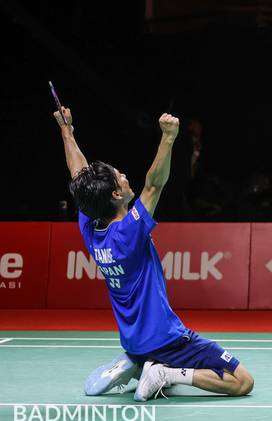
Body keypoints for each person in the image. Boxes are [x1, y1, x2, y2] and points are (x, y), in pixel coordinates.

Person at [53, 106, 254, 400]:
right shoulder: (128, 233)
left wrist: (66, 130)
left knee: (149, 354)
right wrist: (169, 138)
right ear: (115, 195)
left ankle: (139, 362)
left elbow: (79, 174)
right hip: (167, 339)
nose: (124, 176)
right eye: (119, 177)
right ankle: (164, 372)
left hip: (133, 339)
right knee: (241, 381)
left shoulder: (91, 226)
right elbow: (154, 184)